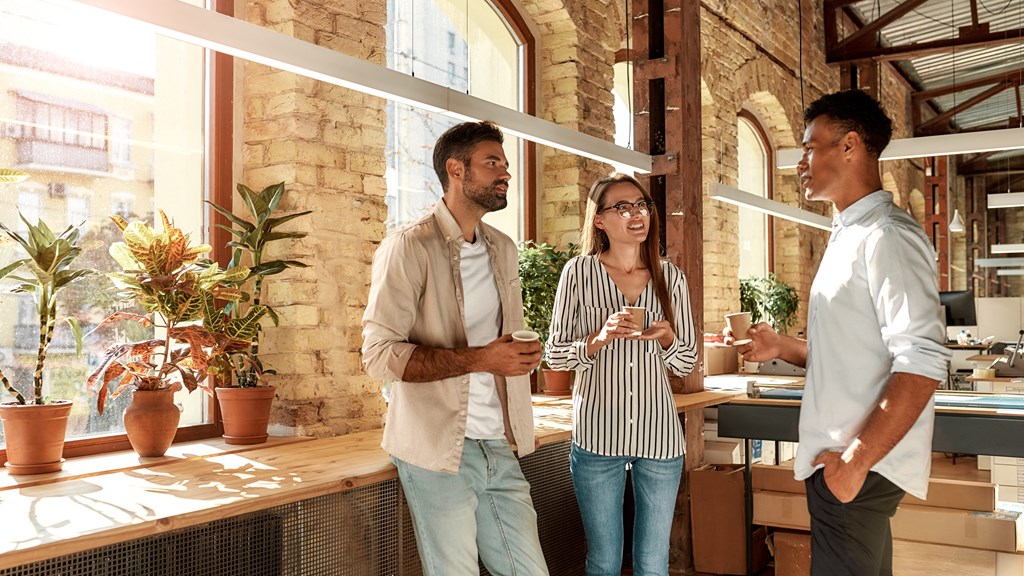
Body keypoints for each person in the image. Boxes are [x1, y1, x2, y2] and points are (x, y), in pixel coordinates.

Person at [726, 90, 951, 576]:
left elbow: (924, 362)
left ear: (849, 146)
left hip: (855, 464)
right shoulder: (848, 234)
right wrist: (782, 347)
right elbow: (857, 355)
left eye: (810, 147)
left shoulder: (887, 236)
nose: (801, 163)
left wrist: (853, 463)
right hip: (843, 461)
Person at [361, 120, 549, 576]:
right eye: (492, 163)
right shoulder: (409, 246)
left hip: (499, 444)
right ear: (456, 170)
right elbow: (379, 355)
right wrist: (484, 358)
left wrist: (519, 360)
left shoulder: (502, 248)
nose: (505, 173)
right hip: (438, 448)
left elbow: (502, 342)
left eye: (504, 163)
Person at [546, 173, 698, 576]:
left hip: (660, 438)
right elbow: (556, 356)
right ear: (599, 220)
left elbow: (687, 363)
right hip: (598, 436)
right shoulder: (577, 274)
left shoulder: (673, 279)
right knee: (604, 561)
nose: (636, 214)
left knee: (652, 562)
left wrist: (667, 340)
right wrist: (598, 338)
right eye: (622, 207)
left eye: (642, 205)